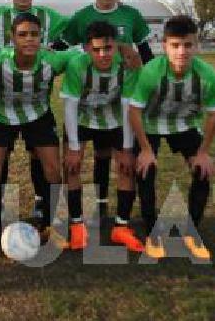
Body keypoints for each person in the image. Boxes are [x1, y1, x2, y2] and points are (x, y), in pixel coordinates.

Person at [0, 12, 77, 252]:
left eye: (34, 35)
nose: (29, 40)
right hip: (0, 118)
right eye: (22, 35)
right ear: (12, 38)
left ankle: (50, 223)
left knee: (53, 169)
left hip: (38, 116)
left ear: (41, 38)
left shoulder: (52, 60)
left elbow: (81, 53)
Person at [0, 0, 69, 224]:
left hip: (37, 107)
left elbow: (76, 36)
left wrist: (58, 47)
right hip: (0, 108)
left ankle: (46, 210)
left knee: (45, 161)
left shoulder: (51, 18)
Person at [127, 15, 215, 260]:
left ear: (197, 45)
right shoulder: (151, 72)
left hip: (185, 124)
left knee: (202, 173)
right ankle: (152, 230)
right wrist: (145, 149)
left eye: (188, 45)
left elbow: (214, 116)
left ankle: (192, 232)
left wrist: (203, 153)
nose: (182, 51)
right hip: (150, 125)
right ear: (165, 46)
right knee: (145, 170)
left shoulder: (208, 75)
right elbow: (134, 111)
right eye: (175, 45)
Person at [59, 21, 150, 254]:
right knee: (71, 167)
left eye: (108, 48)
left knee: (126, 168)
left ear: (116, 46)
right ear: (87, 48)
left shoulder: (126, 64)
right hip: (81, 119)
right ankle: (77, 225)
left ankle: (121, 227)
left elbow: (127, 103)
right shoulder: (78, 65)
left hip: (115, 119)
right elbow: (69, 105)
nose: (103, 54)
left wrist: (128, 149)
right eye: (97, 49)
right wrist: (72, 146)